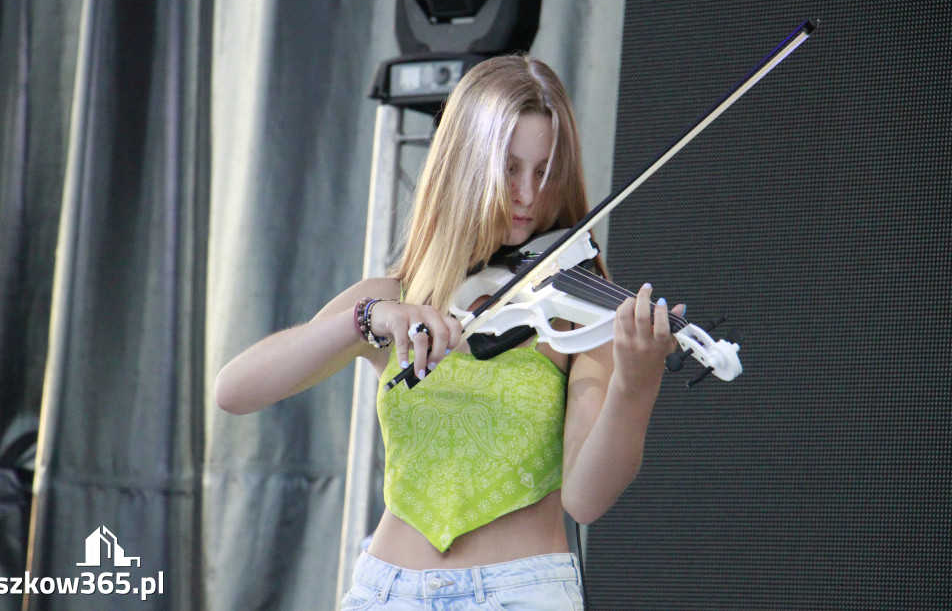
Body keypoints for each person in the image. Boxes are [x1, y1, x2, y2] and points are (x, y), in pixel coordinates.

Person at [215, 55, 684, 610]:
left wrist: (637, 382)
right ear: (464, 165)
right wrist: (368, 317)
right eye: (509, 168)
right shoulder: (395, 295)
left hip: (519, 593)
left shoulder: (573, 312)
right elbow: (235, 391)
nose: (528, 196)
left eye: (543, 172)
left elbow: (585, 498)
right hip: (384, 591)